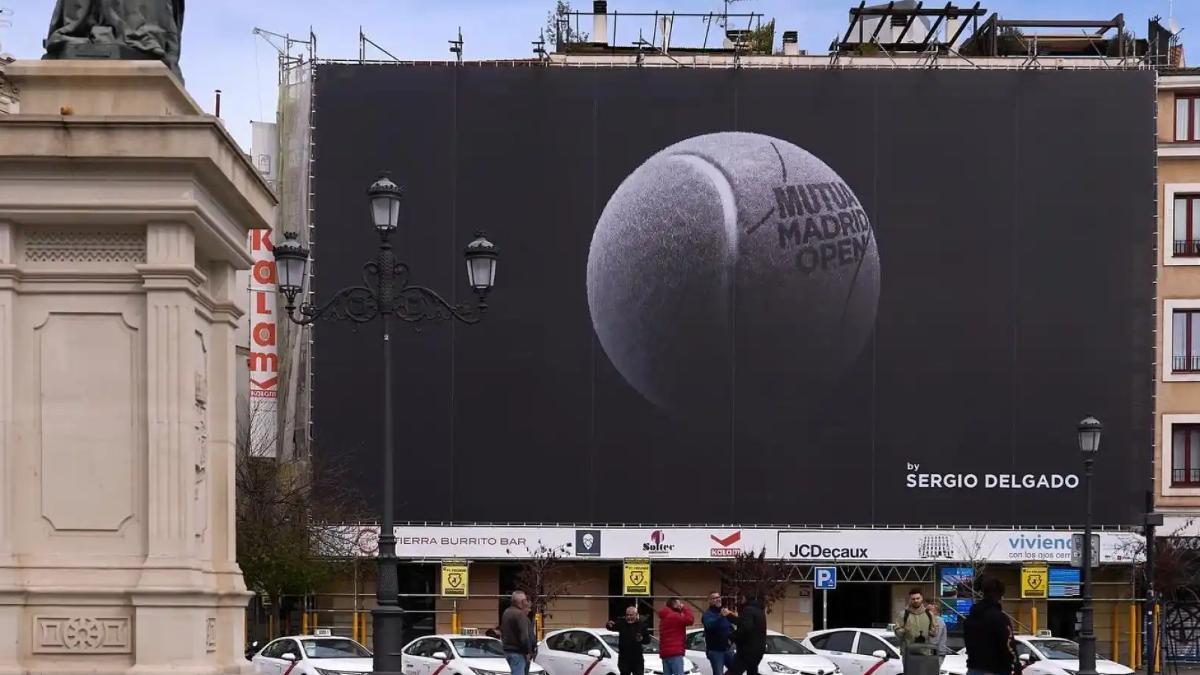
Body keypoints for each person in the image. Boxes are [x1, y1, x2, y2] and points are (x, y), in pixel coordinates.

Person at [963, 576, 1018, 675]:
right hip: (996, 669)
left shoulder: (971, 618)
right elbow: (1009, 645)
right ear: (1000, 595)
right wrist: (1016, 666)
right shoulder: (1000, 618)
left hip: (973, 668)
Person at [726, 594, 766, 675]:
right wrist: (728, 615)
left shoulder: (748, 610)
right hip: (758, 650)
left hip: (747, 650)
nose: (741, 600)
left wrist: (731, 636)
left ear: (746, 598)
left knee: (734, 672)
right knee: (752, 671)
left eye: (742, 597)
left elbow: (745, 627)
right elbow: (742, 622)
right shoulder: (759, 611)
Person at [607, 605, 652, 675]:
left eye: (631, 615)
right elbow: (611, 626)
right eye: (627, 615)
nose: (629, 617)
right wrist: (608, 624)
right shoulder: (622, 623)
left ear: (636, 615)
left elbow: (648, 640)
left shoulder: (642, 625)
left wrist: (642, 639)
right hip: (624, 659)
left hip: (637, 659)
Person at [657, 597, 696, 675]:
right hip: (675, 652)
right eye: (679, 603)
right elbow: (690, 620)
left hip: (665, 653)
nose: (680, 605)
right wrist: (684, 608)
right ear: (674, 604)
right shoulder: (675, 616)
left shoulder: (664, 617)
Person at [502, 591, 537, 675]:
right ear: (521, 602)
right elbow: (524, 637)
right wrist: (528, 652)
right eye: (525, 600)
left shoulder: (506, 612)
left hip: (508, 651)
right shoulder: (520, 615)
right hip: (518, 653)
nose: (526, 602)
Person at [702, 592, 735, 675]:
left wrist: (732, 638)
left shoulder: (724, 612)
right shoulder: (707, 614)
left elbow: (730, 628)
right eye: (714, 598)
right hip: (715, 651)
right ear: (710, 601)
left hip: (728, 649)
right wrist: (721, 616)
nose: (718, 599)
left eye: (718, 597)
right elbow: (710, 625)